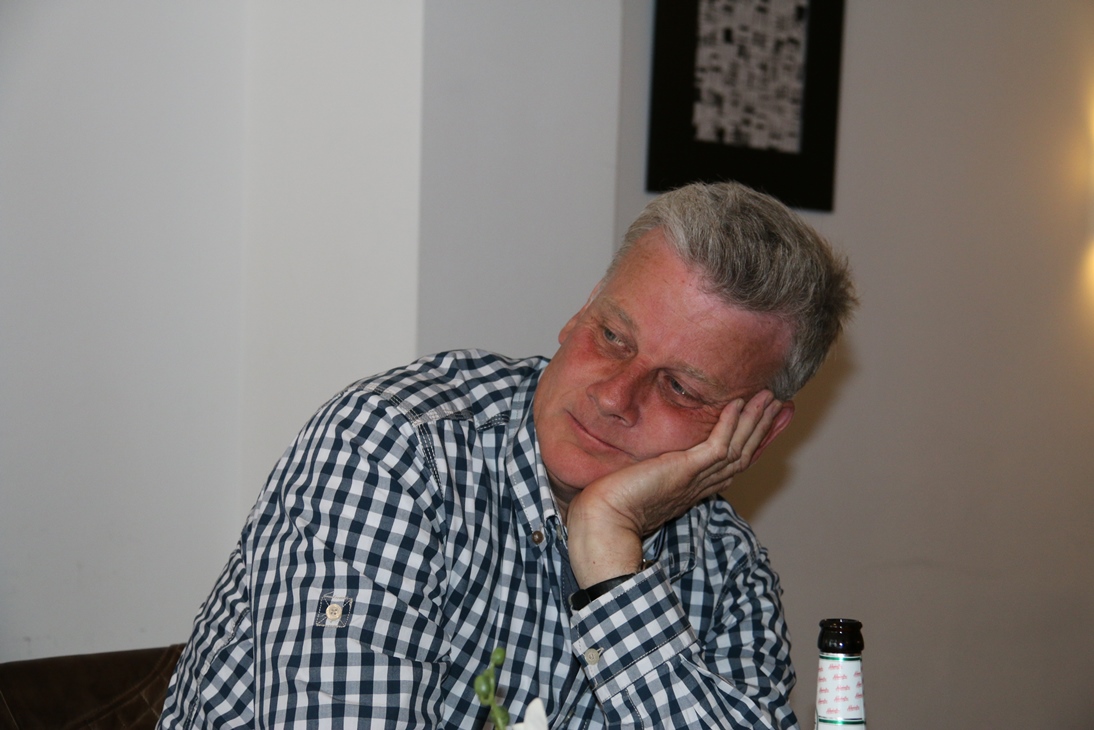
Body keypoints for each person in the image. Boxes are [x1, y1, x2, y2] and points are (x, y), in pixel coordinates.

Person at [158, 181, 855, 729]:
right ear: (582, 310)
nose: (614, 396)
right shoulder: (397, 450)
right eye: (612, 336)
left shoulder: (727, 568)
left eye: (679, 388)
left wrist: (611, 557)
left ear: (758, 429)